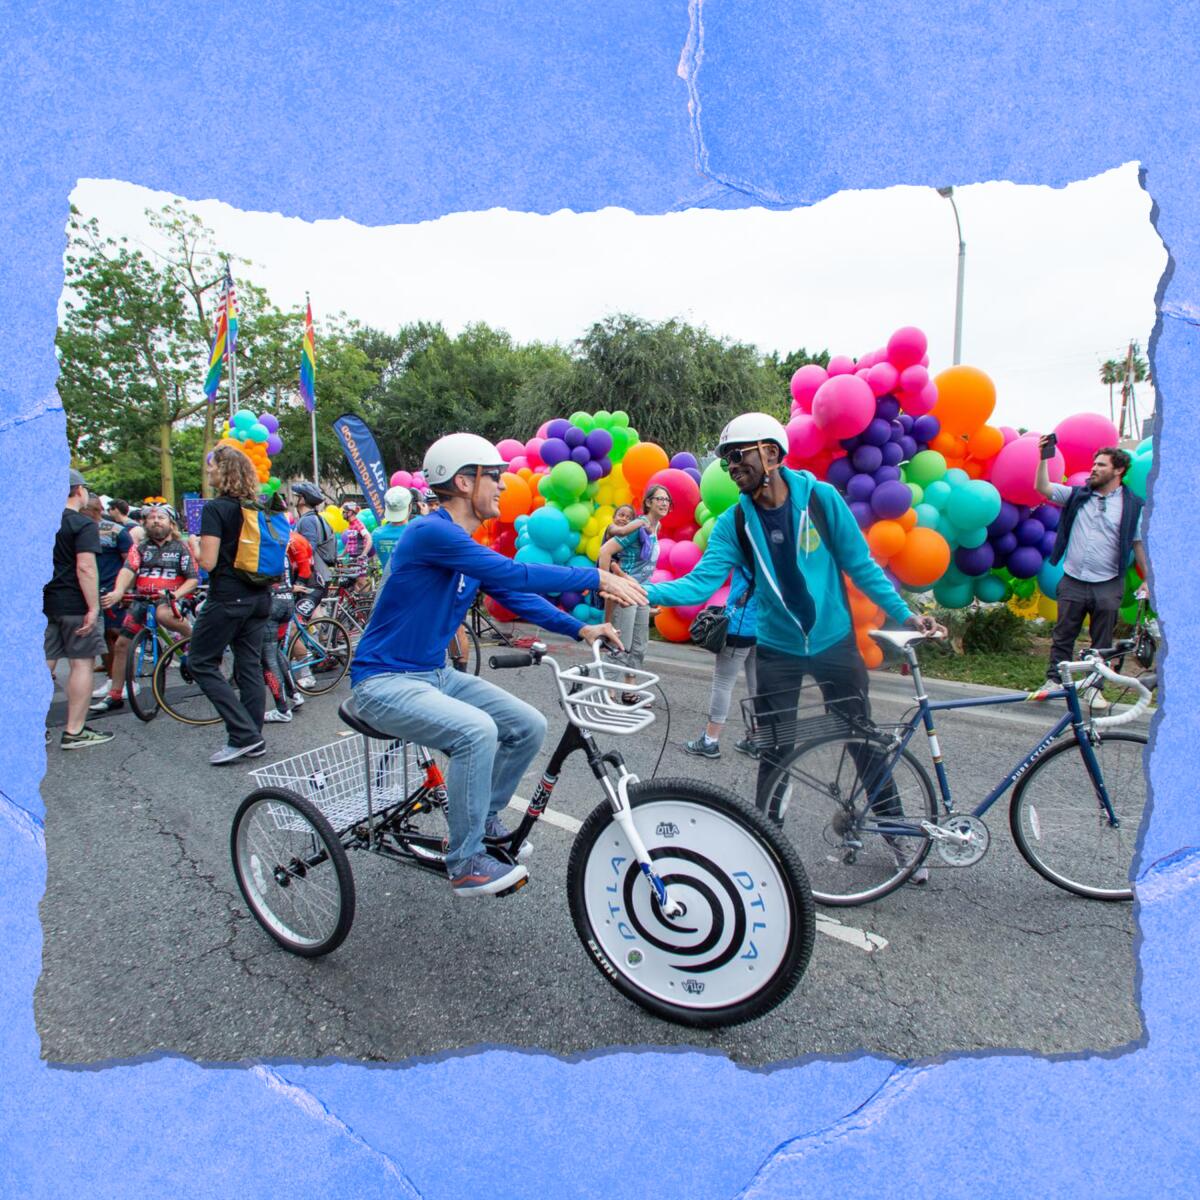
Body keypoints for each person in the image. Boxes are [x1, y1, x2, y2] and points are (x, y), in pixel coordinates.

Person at [350, 432, 646, 897]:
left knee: (528, 725)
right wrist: (595, 574)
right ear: (465, 482)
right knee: (476, 732)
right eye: (495, 477)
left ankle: (480, 821)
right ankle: (465, 861)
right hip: (384, 681)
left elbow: (514, 595)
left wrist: (580, 629)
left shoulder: (462, 544)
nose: (504, 487)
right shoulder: (431, 532)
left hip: (435, 676)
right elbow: (515, 574)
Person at [644, 413, 940, 845]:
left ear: (770, 452)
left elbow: (860, 565)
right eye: (726, 460)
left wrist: (906, 614)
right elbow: (701, 581)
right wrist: (642, 588)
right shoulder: (735, 523)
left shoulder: (820, 499)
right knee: (774, 747)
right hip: (777, 649)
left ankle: (894, 831)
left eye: (738, 455)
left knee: (861, 736)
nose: (731, 467)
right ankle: (768, 840)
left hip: (834, 642)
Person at [1034, 439, 1148, 709]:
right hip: (1073, 578)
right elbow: (1043, 488)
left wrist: (1148, 578)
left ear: (1118, 470)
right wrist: (1043, 458)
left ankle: (1094, 688)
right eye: (1093, 464)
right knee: (1063, 635)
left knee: (1102, 641)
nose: (1093, 469)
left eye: (1100, 465)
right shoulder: (1078, 495)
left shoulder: (1133, 505)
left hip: (1108, 583)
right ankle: (1054, 681)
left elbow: (1138, 542)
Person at [191, 445, 275, 764]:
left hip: (228, 597)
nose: (209, 471)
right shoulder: (257, 507)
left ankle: (243, 735)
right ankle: (252, 736)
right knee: (249, 666)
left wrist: (193, 545)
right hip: (259, 597)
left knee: (200, 661)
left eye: (212, 467)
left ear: (224, 471)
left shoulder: (216, 509)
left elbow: (209, 562)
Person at [91, 503, 198, 714]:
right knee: (121, 644)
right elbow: (128, 569)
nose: (156, 521)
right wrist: (118, 591)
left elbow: (193, 579)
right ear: (145, 522)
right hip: (142, 600)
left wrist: (175, 594)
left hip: (170, 600)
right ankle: (115, 693)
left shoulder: (181, 547)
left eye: (161, 518)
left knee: (163, 614)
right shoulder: (140, 547)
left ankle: (192, 640)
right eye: (151, 518)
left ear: (171, 523)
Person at [44, 469, 112, 749]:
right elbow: (85, 567)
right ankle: (74, 730)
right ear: (78, 490)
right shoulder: (82, 525)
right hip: (75, 603)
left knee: (41, 666)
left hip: (44, 603)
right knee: (81, 664)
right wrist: (93, 606)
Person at [598, 483, 671, 702]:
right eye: (660, 499)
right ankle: (608, 689)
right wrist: (606, 582)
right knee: (622, 642)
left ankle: (629, 689)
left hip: (642, 592)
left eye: (667, 500)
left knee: (639, 645)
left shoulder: (654, 528)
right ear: (648, 502)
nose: (664, 503)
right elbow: (605, 551)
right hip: (626, 592)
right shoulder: (638, 527)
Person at [683, 550, 759, 760]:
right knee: (756, 684)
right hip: (763, 628)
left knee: (723, 683)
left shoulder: (745, 550)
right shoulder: (775, 552)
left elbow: (712, 570)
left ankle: (710, 740)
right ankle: (757, 739)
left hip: (739, 627)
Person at [84, 491, 133, 693]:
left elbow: (130, 562)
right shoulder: (78, 529)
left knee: (117, 634)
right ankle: (112, 678)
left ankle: (127, 681)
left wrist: (127, 590)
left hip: (113, 590)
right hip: (90, 590)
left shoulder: (116, 531)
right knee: (102, 636)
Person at [372, 486, 413, 576]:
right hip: (411, 585)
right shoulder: (416, 532)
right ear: (410, 508)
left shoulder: (377, 534)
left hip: (387, 585)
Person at [339, 500, 374, 593]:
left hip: (359, 557)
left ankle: (366, 603)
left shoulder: (358, 524)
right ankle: (357, 605)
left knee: (362, 581)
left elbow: (369, 539)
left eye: (344, 512)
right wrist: (342, 555)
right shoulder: (350, 525)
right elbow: (350, 542)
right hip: (352, 558)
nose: (343, 514)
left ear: (350, 512)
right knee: (354, 582)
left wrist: (363, 554)